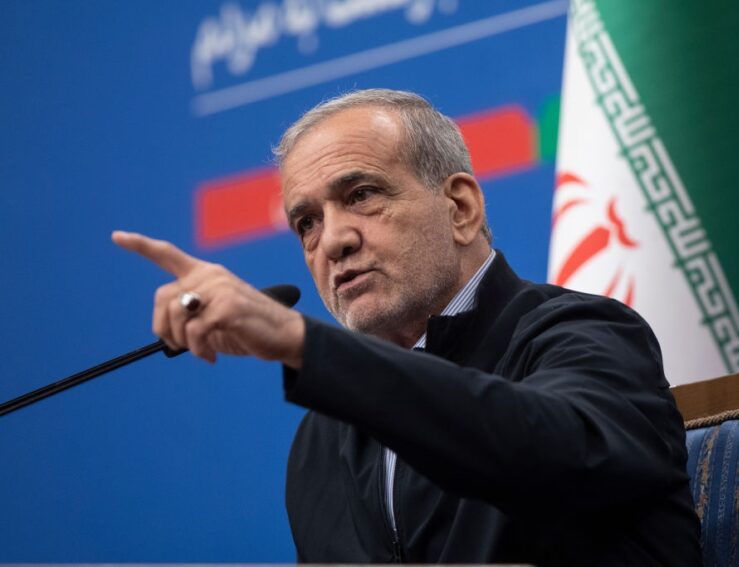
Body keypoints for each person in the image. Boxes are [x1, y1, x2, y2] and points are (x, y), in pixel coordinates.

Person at [113, 89, 702, 565]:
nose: (333, 240)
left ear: (460, 208)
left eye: (362, 194)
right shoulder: (321, 438)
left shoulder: (588, 334)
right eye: (307, 222)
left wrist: (302, 344)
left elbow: (552, 455)